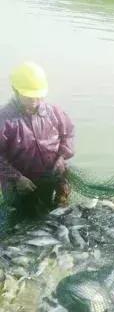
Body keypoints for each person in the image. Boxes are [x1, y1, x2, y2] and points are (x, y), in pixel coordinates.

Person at [0, 61, 74, 220]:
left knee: (57, 216)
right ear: (15, 90)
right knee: (23, 220)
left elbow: (68, 135)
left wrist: (61, 158)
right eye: (28, 96)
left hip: (52, 176)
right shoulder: (4, 120)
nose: (34, 101)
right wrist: (17, 178)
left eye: (38, 95)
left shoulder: (54, 112)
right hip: (20, 184)